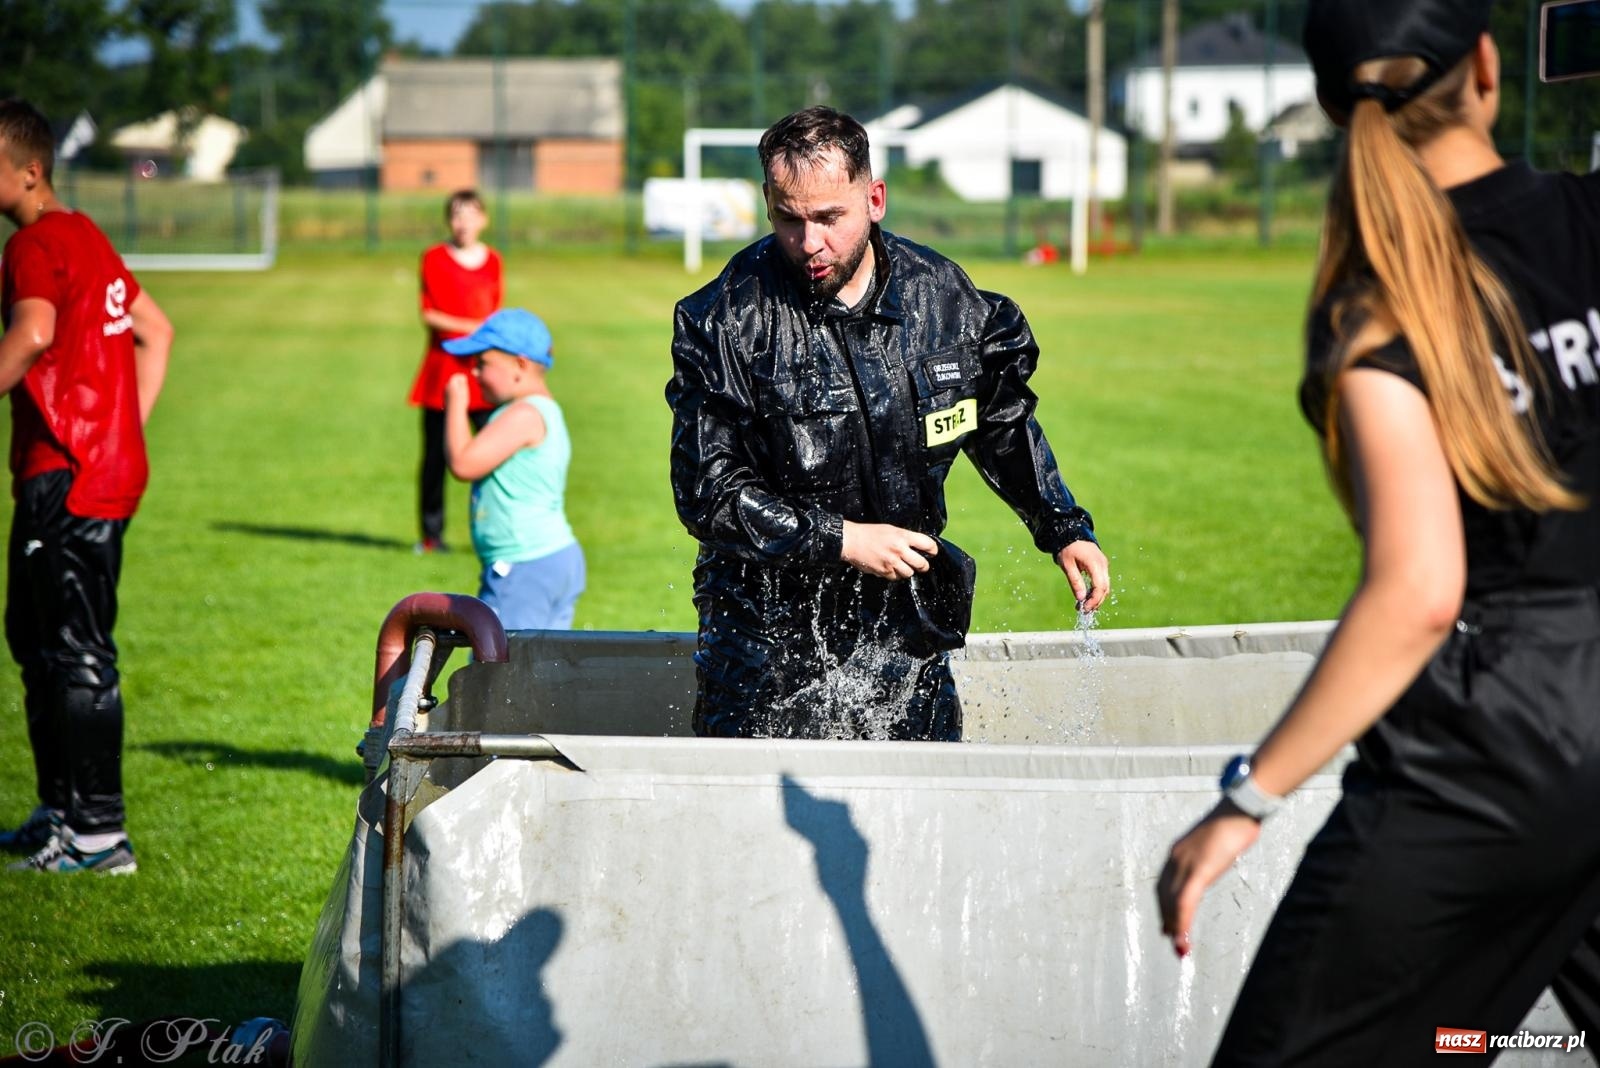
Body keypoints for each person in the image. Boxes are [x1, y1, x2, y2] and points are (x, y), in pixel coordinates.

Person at [1155, 2, 1600, 1061]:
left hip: (1501, 749)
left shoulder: (1376, 309)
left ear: (1328, 103)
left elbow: (1419, 592)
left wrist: (1245, 800)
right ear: (1488, 70)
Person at [666, 106, 1109, 742]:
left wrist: (1062, 526)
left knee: (926, 804)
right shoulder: (724, 321)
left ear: (873, 199)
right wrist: (843, 539)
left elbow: (1001, 422)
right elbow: (708, 494)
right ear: (768, 204)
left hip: (905, 621)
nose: (810, 242)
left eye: (828, 217)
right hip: (762, 630)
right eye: (789, 219)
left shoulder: (946, 299)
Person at [0, 98, 174, 874]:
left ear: (29, 169)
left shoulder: (38, 244)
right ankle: (61, 815)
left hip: (68, 477)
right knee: (36, 643)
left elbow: (32, 333)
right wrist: (124, 428)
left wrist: (103, 434)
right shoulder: (87, 236)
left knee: (72, 651)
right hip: (94, 470)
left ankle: (100, 837)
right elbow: (156, 330)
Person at [442, 308, 584, 631]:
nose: (474, 374)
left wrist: (454, 406)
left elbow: (463, 463)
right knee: (539, 670)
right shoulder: (541, 411)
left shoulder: (524, 414)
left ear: (519, 365)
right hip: (547, 559)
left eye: (482, 364)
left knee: (501, 670)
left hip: (524, 563)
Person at [410, 189, 501, 553]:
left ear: (483, 219)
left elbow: (493, 312)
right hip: (442, 373)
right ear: (449, 220)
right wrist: (473, 327)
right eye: (457, 214)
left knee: (494, 455)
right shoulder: (434, 258)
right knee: (435, 456)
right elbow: (429, 314)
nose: (463, 222)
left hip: (483, 374)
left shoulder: (493, 260)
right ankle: (431, 536)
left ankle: (494, 531)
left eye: (471, 214)